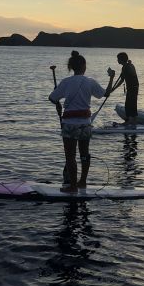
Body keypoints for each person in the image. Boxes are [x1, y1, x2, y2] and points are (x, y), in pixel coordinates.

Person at [49, 51, 115, 193]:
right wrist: (111, 78)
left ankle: (73, 186)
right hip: (85, 123)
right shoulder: (90, 82)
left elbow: (52, 98)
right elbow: (106, 93)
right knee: (84, 153)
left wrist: (58, 102)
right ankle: (82, 182)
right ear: (84, 66)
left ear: (71, 67)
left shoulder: (66, 82)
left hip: (70, 123)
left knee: (70, 156)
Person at [110, 52, 139, 128]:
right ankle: (133, 121)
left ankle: (130, 121)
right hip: (133, 87)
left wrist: (113, 88)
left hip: (133, 88)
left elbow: (126, 77)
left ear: (121, 59)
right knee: (130, 104)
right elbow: (122, 79)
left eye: (118, 59)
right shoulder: (127, 66)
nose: (117, 60)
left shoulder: (127, 67)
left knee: (129, 104)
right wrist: (114, 88)